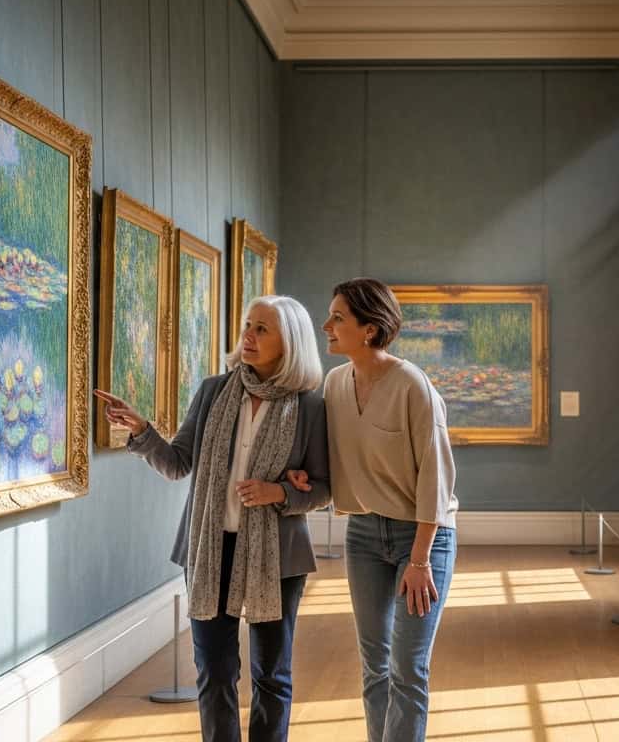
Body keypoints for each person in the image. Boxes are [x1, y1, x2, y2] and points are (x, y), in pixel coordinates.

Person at [93, 294, 330, 742]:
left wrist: (277, 492)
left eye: (263, 329)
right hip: (208, 550)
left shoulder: (310, 408)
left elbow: (321, 489)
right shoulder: (213, 392)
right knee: (215, 672)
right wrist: (142, 432)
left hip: (277, 559)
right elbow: (178, 462)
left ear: (291, 342)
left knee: (271, 676)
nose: (249, 336)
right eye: (248, 325)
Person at [314, 277, 458, 742]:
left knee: (408, 668)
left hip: (422, 539)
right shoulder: (335, 384)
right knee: (374, 666)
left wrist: (419, 561)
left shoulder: (412, 384)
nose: (326, 326)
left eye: (338, 317)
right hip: (363, 536)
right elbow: (331, 458)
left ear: (370, 330)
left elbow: (435, 481)